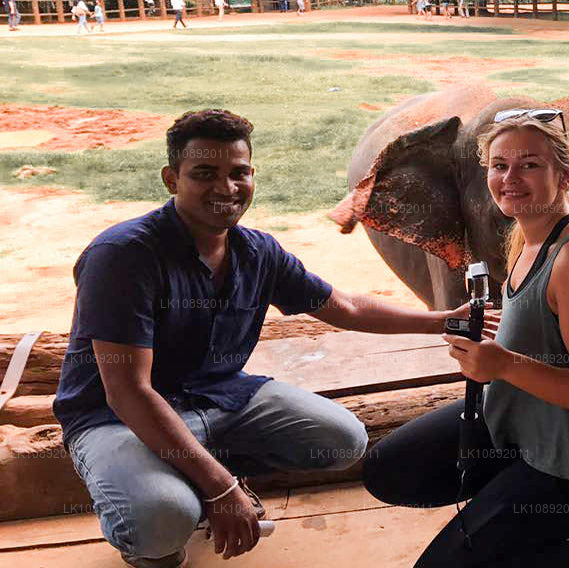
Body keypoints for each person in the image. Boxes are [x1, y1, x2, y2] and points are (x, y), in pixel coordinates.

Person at [53, 110, 461, 568]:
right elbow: (128, 392)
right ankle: (151, 528)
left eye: (239, 173)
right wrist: (221, 488)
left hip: (217, 398)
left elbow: (345, 307)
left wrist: (445, 321)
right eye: (204, 174)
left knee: (342, 439)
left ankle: (193, 472)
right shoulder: (123, 256)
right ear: (171, 179)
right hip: (117, 419)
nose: (226, 188)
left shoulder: (256, 251)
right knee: (160, 523)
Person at [362, 108, 569, 568]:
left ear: (565, 175)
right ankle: (505, 521)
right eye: (499, 165)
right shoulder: (529, 235)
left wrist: (502, 364)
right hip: (523, 423)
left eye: (530, 164)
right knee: (388, 469)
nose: (510, 178)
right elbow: (549, 325)